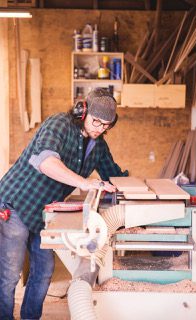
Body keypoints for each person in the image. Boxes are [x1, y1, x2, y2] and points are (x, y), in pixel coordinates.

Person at [0, 87, 128, 320]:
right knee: (9, 273)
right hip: (16, 203)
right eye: (96, 121)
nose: (99, 129)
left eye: (105, 125)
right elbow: (46, 162)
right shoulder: (58, 124)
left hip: (44, 214)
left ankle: (30, 317)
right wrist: (86, 183)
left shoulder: (98, 146)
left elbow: (114, 176)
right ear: (83, 111)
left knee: (44, 270)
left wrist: (136, 190)